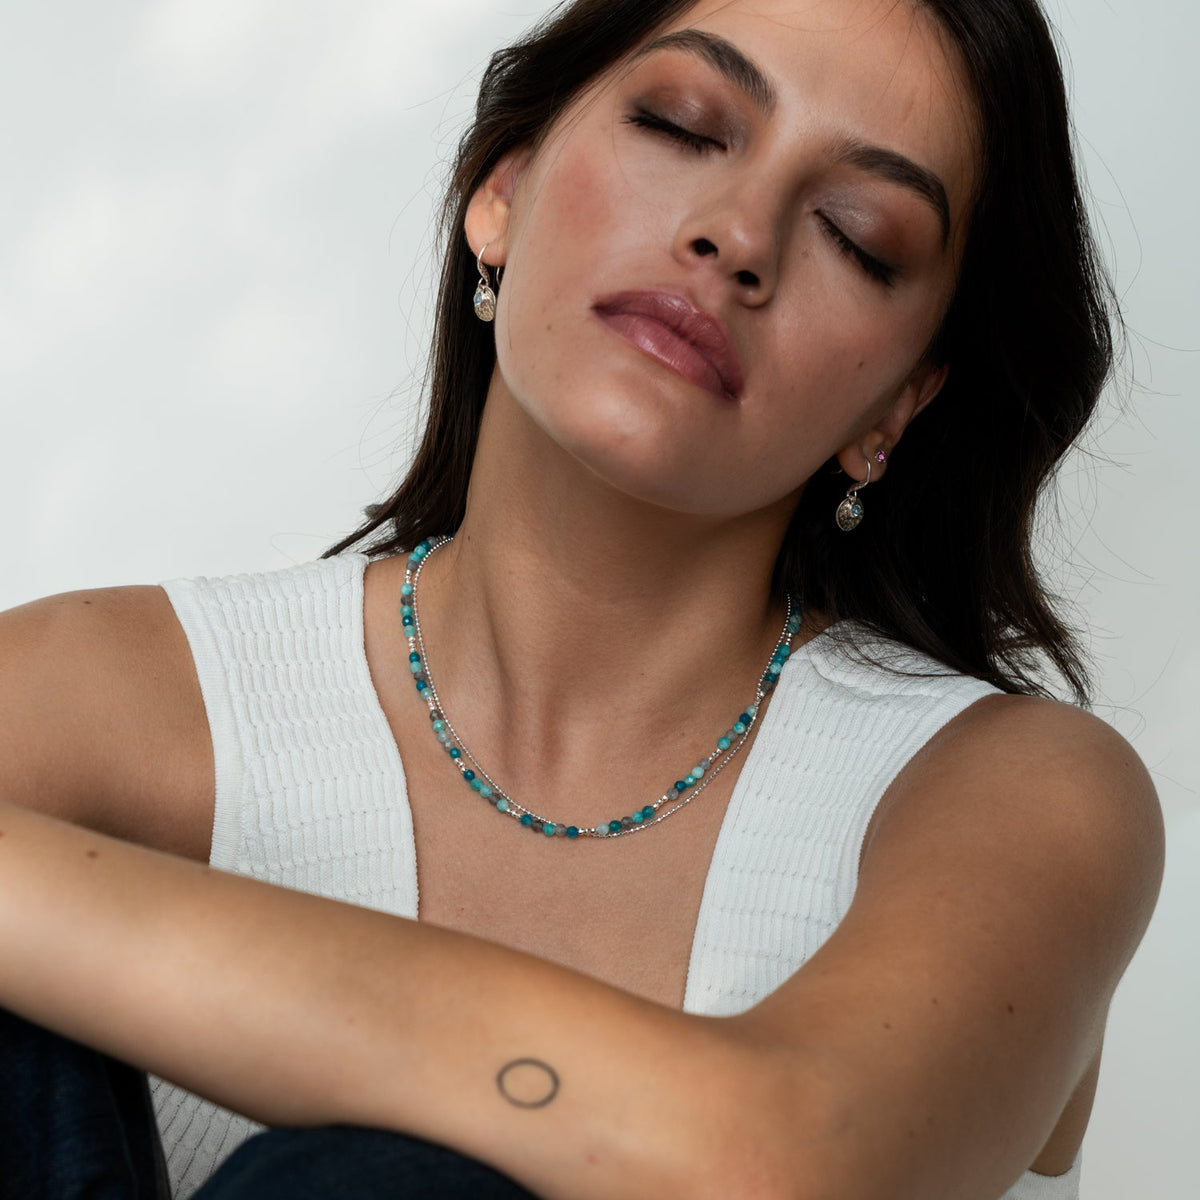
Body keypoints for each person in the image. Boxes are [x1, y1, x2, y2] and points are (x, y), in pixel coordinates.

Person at [0, 0, 1165, 1197]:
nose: (738, 235)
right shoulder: (101, 697)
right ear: (502, 192)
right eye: (682, 125)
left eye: (857, 236)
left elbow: (778, 1161)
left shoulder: (1022, 795)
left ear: (896, 408)